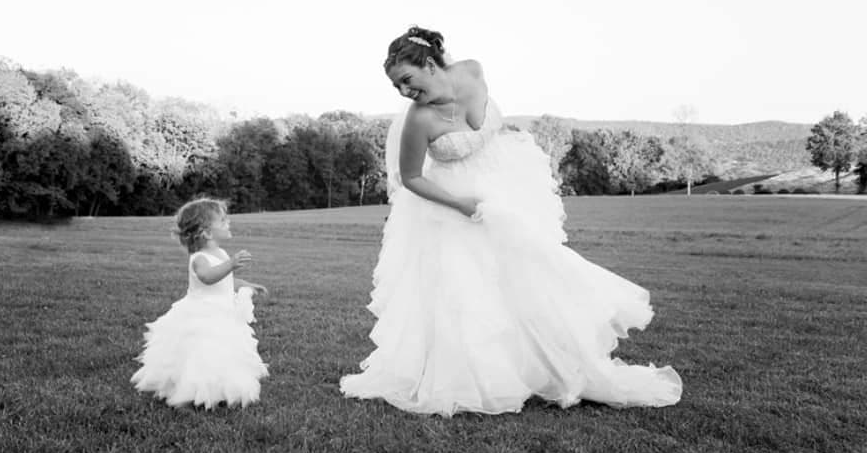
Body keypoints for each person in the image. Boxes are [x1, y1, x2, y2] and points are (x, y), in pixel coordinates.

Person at [340, 26, 682, 416]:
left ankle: (551, 367)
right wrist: (461, 204)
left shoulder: (472, 70)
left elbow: (493, 126)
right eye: (396, 87)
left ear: (431, 64)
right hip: (451, 204)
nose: (403, 92)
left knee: (530, 277)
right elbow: (411, 178)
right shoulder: (418, 119)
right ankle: (480, 376)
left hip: (505, 186)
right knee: (468, 290)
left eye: (406, 80)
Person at [131, 197, 269, 409]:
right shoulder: (199, 258)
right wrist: (231, 264)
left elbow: (225, 281)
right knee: (201, 354)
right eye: (223, 221)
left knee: (221, 352)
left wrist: (247, 284)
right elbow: (207, 277)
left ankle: (221, 388)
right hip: (202, 314)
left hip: (222, 314)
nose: (228, 223)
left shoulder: (220, 253)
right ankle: (192, 392)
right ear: (206, 232)